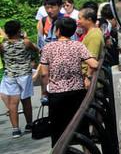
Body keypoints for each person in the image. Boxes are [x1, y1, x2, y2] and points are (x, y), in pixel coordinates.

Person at [36, 17, 99, 146]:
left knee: (58, 128)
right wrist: (88, 77)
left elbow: (43, 73)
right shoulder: (78, 45)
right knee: (81, 125)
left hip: (56, 92)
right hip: (77, 91)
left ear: (58, 31)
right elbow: (94, 64)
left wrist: (44, 91)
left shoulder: (48, 48)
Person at [1, 21, 37, 136]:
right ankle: (29, 125)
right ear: (19, 31)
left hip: (10, 75)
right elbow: (36, 49)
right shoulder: (25, 42)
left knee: (13, 103)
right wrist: (25, 37)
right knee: (26, 100)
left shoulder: (3, 46)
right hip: (24, 75)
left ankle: (15, 129)